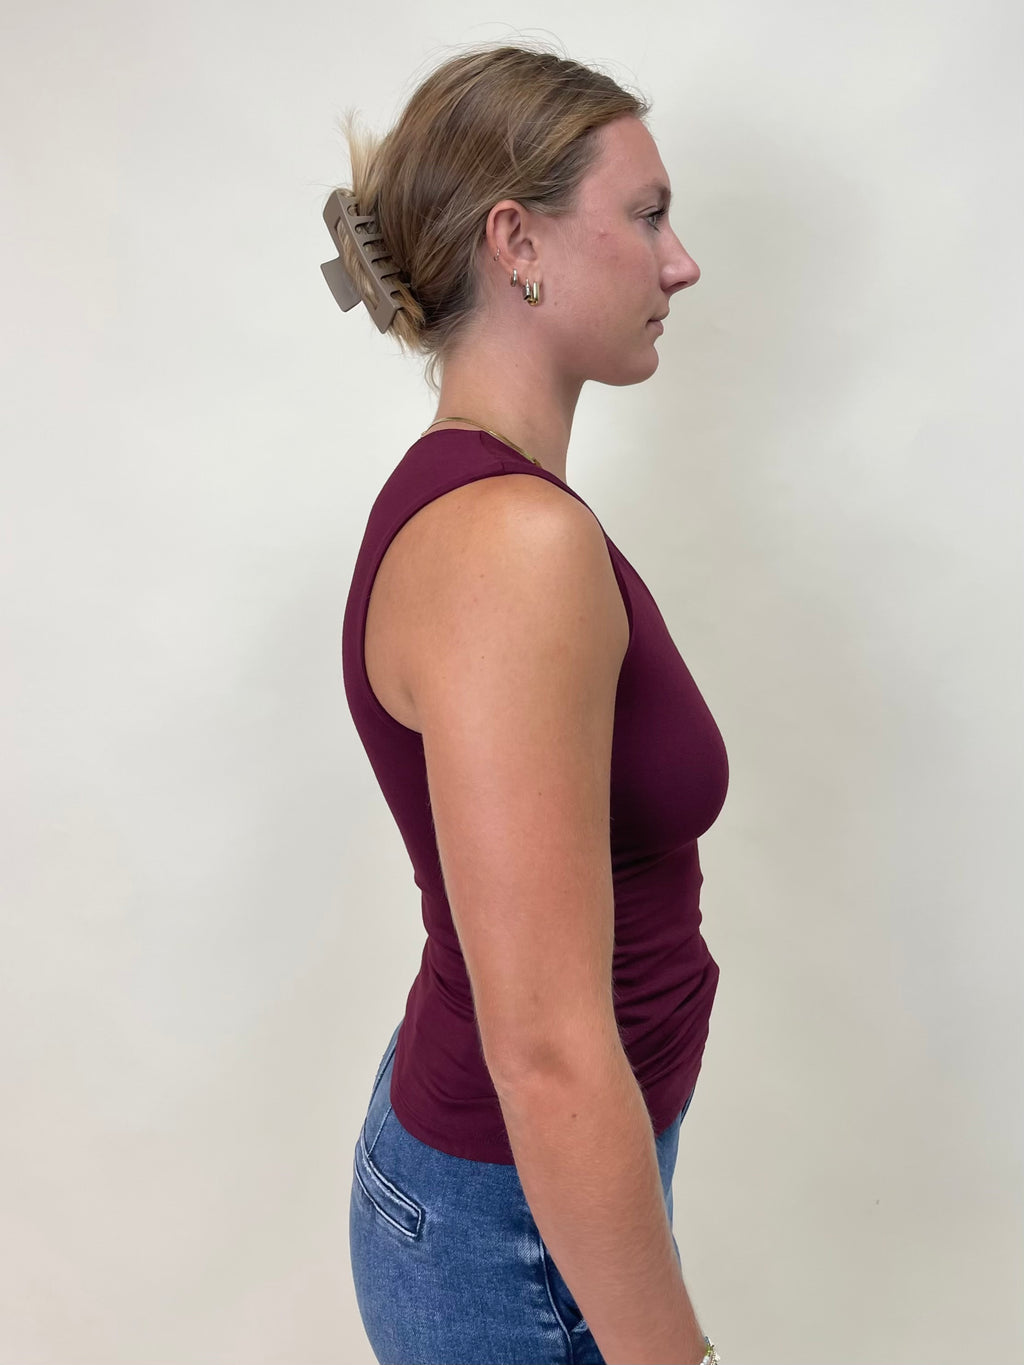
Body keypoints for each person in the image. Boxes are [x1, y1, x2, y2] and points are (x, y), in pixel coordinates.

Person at [322, 39, 727, 1365]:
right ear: (518, 242)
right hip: (518, 1234)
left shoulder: (486, 503)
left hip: (535, 1199)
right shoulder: (511, 544)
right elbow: (546, 1051)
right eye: (648, 215)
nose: (681, 263)